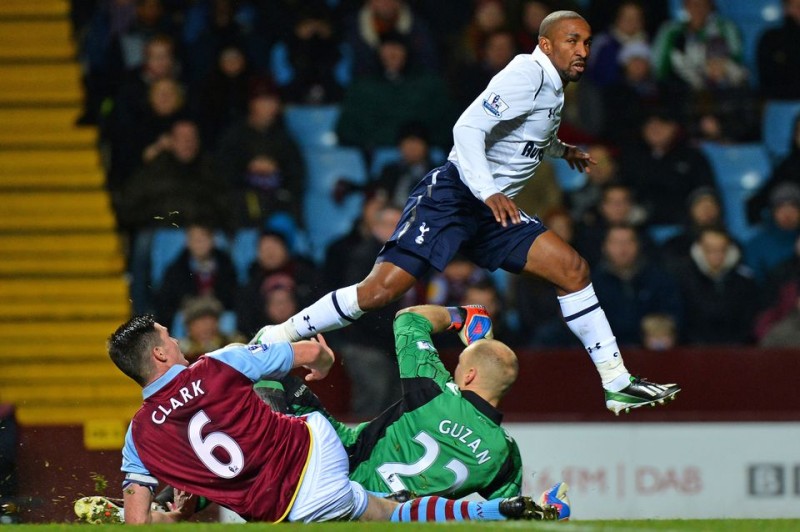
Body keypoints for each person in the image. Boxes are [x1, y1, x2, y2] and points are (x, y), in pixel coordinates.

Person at [256, 10, 680, 415]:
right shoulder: (525, 74)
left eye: (587, 42)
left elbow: (527, 132)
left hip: (493, 212)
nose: (583, 50)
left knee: (573, 270)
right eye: (573, 41)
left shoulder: (553, 84)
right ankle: (277, 335)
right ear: (545, 44)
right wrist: (488, 189)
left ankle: (616, 381)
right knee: (379, 292)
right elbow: (468, 128)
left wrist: (561, 150)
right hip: (457, 197)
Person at [106, 316, 561, 523]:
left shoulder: (138, 437)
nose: (179, 338)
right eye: (170, 336)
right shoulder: (215, 363)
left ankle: (189, 504)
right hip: (319, 459)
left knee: (212, 470)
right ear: (162, 353)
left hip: (279, 512)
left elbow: (136, 523)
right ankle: (489, 511)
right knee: (266, 351)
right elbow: (305, 351)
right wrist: (320, 361)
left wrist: (161, 513)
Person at [279, 304, 552, 503]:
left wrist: (462, 315)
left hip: (346, 477)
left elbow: (409, 319)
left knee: (279, 380)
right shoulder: (505, 454)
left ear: (470, 375)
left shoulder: (435, 393)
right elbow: (504, 511)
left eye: (459, 366)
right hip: (406, 518)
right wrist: (544, 510)